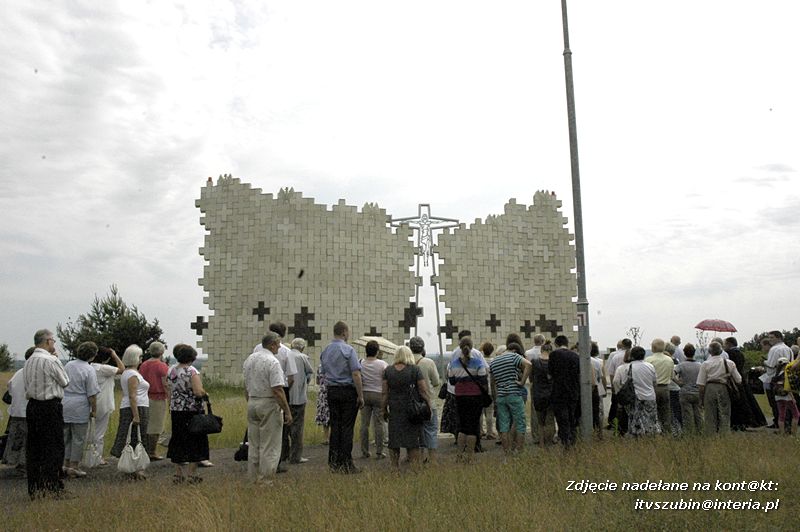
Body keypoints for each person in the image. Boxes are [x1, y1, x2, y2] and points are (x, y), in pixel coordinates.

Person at [24, 329, 70, 499]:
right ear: (47, 342)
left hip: (33, 406)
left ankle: (35, 486)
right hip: (50, 406)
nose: (54, 343)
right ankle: (53, 485)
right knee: (53, 447)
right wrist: (57, 359)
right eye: (53, 340)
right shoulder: (51, 360)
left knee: (34, 448)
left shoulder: (29, 361)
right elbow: (65, 381)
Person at [243, 332, 292, 484]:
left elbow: (245, 384)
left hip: (252, 401)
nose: (279, 347)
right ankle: (266, 481)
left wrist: (249, 400)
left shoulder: (250, 359)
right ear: (272, 345)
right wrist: (287, 411)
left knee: (254, 443)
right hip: (268, 403)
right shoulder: (273, 361)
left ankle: (253, 477)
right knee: (270, 445)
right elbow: (277, 389)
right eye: (278, 344)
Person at [319, 321, 363, 474]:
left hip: (332, 391)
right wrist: (360, 395)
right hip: (347, 391)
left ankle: (334, 461)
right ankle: (346, 462)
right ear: (344, 332)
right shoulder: (349, 350)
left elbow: (322, 372)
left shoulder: (326, 351)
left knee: (335, 426)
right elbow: (356, 373)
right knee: (347, 428)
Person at [381, 346, 431, 469]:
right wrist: (428, 405)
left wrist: (383, 409)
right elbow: (423, 390)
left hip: (394, 409)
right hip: (412, 410)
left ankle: (394, 468)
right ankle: (414, 469)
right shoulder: (415, 370)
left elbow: (384, 393)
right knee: (413, 441)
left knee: (394, 440)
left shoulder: (388, 371)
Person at [166, 344, 209, 484]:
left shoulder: (171, 369)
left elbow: (169, 388)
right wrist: (204, 393)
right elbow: (197, 391)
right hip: (192, 410)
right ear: (192, 357)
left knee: (178, 439)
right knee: (195, 440)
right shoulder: (192, 371)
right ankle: (191, 474)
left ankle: (178, 473)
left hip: (176, 408)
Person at [110, 345, 150, 479]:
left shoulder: (127, 372)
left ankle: (133, 466)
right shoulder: (132, 374)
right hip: (136, 407)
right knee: (137, 436)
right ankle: (135, 468)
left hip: (131, 406)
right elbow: (133, 395)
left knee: (133, 435)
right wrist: (136, 415)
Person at [61, 342, 100, 478]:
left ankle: (65, 464)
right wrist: (94, 410)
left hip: (65, 402)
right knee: (78, 437)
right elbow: (92, 393)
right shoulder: (89, 370)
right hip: (80, 404)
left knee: (66, 436)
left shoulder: (68, 365)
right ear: (92, 355)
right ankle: (74, 466)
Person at [448, 336, 488, 462]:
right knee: (472, 427)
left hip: (460, 397)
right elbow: (483, 379)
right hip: (475, 397)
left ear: (460, 347)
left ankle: (459, 455)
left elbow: (452, 381)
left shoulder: (453, 365)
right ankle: (470, 457)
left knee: (462, 426)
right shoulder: (478, 363)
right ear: (471, 347)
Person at [489, 342, 532, 453]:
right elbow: (529, 365)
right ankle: (519, 450)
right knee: (520, 423)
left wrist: (495, 398)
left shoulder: (494, 362)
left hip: (501, 397)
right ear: (513, 350)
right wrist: (522, 382)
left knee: (504, 426)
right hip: (514, 394)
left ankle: (507, 453)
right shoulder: (513, 356)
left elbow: (492, 383)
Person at [613, 346, 660, 437]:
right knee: (651, 420)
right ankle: (650, 436)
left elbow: (620, 382)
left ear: (632, 355)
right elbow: (655, 382)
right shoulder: (650, 366)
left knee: (635, 421)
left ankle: (637, 439)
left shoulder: (628, 367)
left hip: (636, 397)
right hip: (650, 397)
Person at [697, 341, 742, 435]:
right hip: (724, 387)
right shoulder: (729, 363)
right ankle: (724, 434)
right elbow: (738, 380)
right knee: (725, 413)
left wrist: (701, 398)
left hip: (710, 388)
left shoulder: (705, 364)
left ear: (710, 352)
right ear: (721, 351)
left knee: (710, 414)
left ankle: (710, 434)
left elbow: (701, 384)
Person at [2, 347, 35, 473]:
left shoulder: (19, 372)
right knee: (29, 439)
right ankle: (25, 464)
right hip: (28, 410)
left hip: (16, 411)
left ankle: (15, 462)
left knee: (17, 439)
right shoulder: (34, 373)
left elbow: (10, 390)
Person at [90, 347, 124, 466]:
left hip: (91, 403)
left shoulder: (90, 367)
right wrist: (114, 355)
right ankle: (97, 458)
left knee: (90, 432)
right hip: (103, 403)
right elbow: (122, 369)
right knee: (99, 433)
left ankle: (89, 457)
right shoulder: (104, 368)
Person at [409, 336, 441, 464]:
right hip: (428, 402)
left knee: (416, 431)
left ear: (410, 348)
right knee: (431, 431)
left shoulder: (406, 363)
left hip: (411, 404)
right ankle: (433, 459)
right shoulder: (428, 362)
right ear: (422, 347)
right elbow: (437, 382)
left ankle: (419, 458)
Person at [548, 335, 580, 448]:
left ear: (556, 344)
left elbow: (550, 373)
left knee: (561, 417)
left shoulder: (553, 355)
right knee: (572, 415)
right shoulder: (575, 356)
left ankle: (565, 438)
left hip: (558, 390)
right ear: (567, 343)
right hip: (573, 390)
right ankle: (573, 438)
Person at [139, 342, 169, 461]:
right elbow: (165, 384)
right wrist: (170, 397)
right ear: (161, 352)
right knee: (156, 427)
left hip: (144, 397)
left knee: (146, 424)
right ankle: (152, 452)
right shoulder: (162, 366)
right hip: (158, 398)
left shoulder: (144, 365)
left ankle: (146, 450)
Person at [359, 340, 388, 459]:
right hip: (378, 394)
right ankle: (379, 451)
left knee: (364, 424)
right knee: (379, 423)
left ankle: (365, 451)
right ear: (377, 351)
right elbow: (385, 379)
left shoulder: (360, 363)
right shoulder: (382, 364)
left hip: (365, 394)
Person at [287, 337, 313, 464]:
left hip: (285, 396)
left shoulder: (286, 354)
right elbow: (309, 372)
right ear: (302, 347)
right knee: (297, 427)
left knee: (284, 426)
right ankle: (296, 456)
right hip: (299, 397)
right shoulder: (303, 357)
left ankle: (284, 454)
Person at [761, 331, 793, 428]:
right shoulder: (788, 348)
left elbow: (771, 365)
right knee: (787, 402)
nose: (770, 340)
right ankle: (787, 423)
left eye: (772, 338)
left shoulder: (774, 349)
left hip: (775, 377)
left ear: (778, 338)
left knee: (776, 403)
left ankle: (779, 423)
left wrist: (764, 362)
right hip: (787, 377)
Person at [674, 343, 702, 435]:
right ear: (694, 353)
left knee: (687, 415)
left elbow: (672, 374)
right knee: (698, 413)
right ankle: (700, 431)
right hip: (697, 392)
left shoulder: (681, 365)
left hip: (685, 391)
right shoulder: (699, 365)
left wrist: (678, 382)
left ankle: (689, 433)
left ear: (684, 353)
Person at [646, 338, 674, 435]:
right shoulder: (669, 360)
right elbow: (672, 376)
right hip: (665, 388)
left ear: (653, 347)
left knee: (653, 411)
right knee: (665, 411)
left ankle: (653, 432)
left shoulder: (649, 360)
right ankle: (666, 432)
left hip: (653, 388)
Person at [531, 342, 555, 447]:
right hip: (550, 393)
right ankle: (549, 442)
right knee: (549, 420)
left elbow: (531, 378)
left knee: (540, 421)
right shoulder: (553, 362)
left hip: (538, 393)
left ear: (541, 350)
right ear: (550, 351)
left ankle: (541, 443)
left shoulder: (534, 362)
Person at [605, 339, 632, 432]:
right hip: (630, 387)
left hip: (618, 385)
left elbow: (611, 372)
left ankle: (614, 423)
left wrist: (613, 386)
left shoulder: (614, 356)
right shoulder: (633, 355)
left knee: (616, 405)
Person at [772, 357, 799, 436]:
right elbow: (788, 386)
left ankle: (781, 433)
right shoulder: (787, 373)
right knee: (796, 414)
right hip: (787, 396)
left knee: (781, 415)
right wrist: (793, 397)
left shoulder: (776, 374)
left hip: (778, 397)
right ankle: (794, 433)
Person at [479, 342, 499, 441]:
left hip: (480, 389)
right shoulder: (494, 361)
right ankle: (490, 432)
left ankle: (480, 431)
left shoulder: (479, 361)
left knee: (480, 413)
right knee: (489, 412)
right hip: (490, 390)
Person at [590, 342, 607, 439]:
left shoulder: (585, 360)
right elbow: (603, 377)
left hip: (589, 387)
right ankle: (599, 431)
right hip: (598, 387)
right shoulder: (599, 361)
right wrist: (604, 389)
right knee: (599, 411)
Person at [314, 365, 331, 445]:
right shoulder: (334, 365)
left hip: (322, 393)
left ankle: (326, 438)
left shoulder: (320, 366)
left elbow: (317, 381)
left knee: (324, 416)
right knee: (333, 415)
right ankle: (333, 437)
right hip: (332, 390)